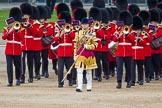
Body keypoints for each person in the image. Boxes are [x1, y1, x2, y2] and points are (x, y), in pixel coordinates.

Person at [74, 17, 98, 92]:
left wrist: (88, 46)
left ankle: (89, 86)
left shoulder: (92, 33)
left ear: (88, 25)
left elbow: (95, 44)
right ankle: (79, 87)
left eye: (86, 24)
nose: (84, 26)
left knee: (89, 71)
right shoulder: (78, 33)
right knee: (79, 71)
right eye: (83, 24)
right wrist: (74, 55)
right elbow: (76, 44)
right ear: (81, 25)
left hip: (89, 54)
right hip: (80, 54)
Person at [2, 7, 24, 87]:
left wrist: (17, 31)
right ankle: (10, 81)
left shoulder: (21, 29)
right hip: (9, 50)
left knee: (18, 66)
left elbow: (22, 38)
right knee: (9, 66)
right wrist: (9, 31)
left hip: (17, 50)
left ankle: (18, 78)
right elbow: (4, 37)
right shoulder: (7, 28)